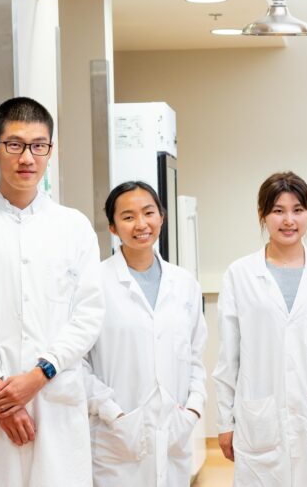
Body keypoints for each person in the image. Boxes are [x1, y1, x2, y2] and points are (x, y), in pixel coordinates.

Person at [0, 97, 105, 486]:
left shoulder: (73, 227)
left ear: (51, 150)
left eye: (38, 145)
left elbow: (88, 316)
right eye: (14, 144)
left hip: (54, 397)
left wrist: (38, 375)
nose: (27, 157)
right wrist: (2, 395)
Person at [213, 171, 307, 487]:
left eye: (297, 210)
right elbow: (229, 358)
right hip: (259, 420)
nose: (288, 220)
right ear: (262, 216)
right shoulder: (240, 275)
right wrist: (224, 422)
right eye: (278, 210)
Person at [83, 181, 207, 486]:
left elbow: (195, 356)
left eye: (148, 212)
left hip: (174, 430)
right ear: (112, 227)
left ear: (162, 217)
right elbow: (79, 362)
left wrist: (193, 407)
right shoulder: (95, 283)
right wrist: (112, 412)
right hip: (117, 434)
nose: (141, 224)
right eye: (127, 217)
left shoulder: (184, 283)